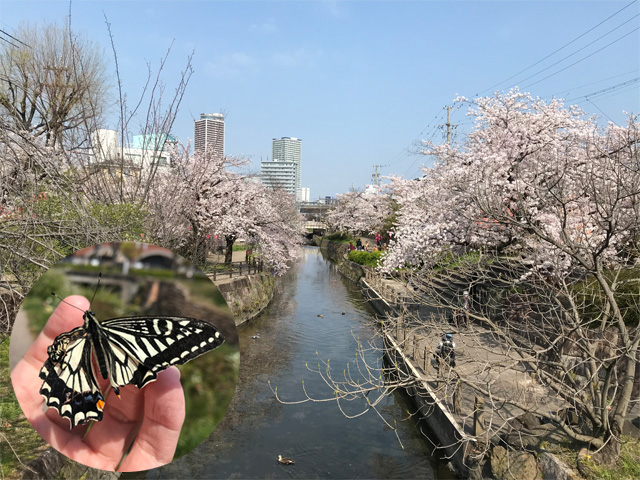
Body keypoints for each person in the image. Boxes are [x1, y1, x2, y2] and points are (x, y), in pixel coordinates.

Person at [10, 295, 185, 471]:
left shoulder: (76, 337)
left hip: (107, 362)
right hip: (122, 362)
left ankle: (93, 399)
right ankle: (96, 396)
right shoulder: (92, 334)